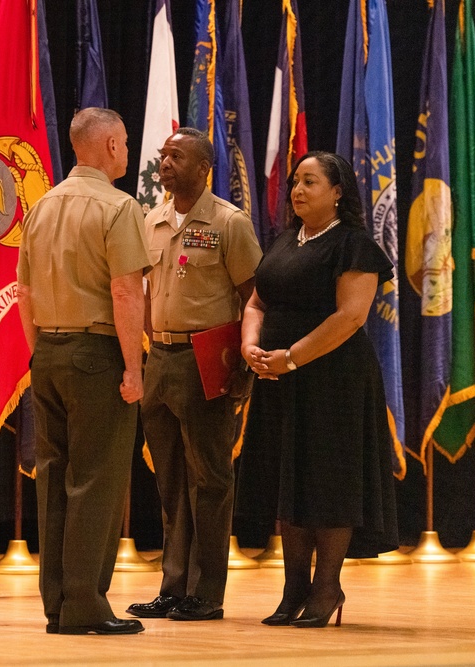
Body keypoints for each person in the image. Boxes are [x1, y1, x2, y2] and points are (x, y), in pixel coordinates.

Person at [235, 151, 399, 628]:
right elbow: (257, 302)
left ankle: (327, 587)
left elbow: (349, 317)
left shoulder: (354, 246)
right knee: (291, 480)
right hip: (278, 377)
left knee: (328, 481)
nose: (297, 190)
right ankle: (293, 591)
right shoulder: (286, 241)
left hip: (334, 380)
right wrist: (251, 346)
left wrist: (290, 358)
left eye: (310, 182)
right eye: (294, 182)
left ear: (338, 191)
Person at [17, 107, 151, 636]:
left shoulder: (41, 206)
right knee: (95, 481)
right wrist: (134, 368)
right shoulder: (119, 208)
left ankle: (58, 606)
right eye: (122, 142)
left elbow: (23, 291)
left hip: (47, 351)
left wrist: (40, 351)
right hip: (97, 354)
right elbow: (124, 291)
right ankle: (87, 607)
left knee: (53, 480)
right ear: (111, 146)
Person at [127, 128, 262, 623]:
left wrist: (244, 366)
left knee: (209, 479)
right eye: (163, 156)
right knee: (169, 482)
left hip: (206, 360)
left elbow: (255, 297)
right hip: (160, 359)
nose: (165, 163)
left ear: (204, 168)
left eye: (176, 156)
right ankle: (173, 586)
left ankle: (207, 593)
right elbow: (143, 290)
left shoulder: (229, 223)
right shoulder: (151, 219)